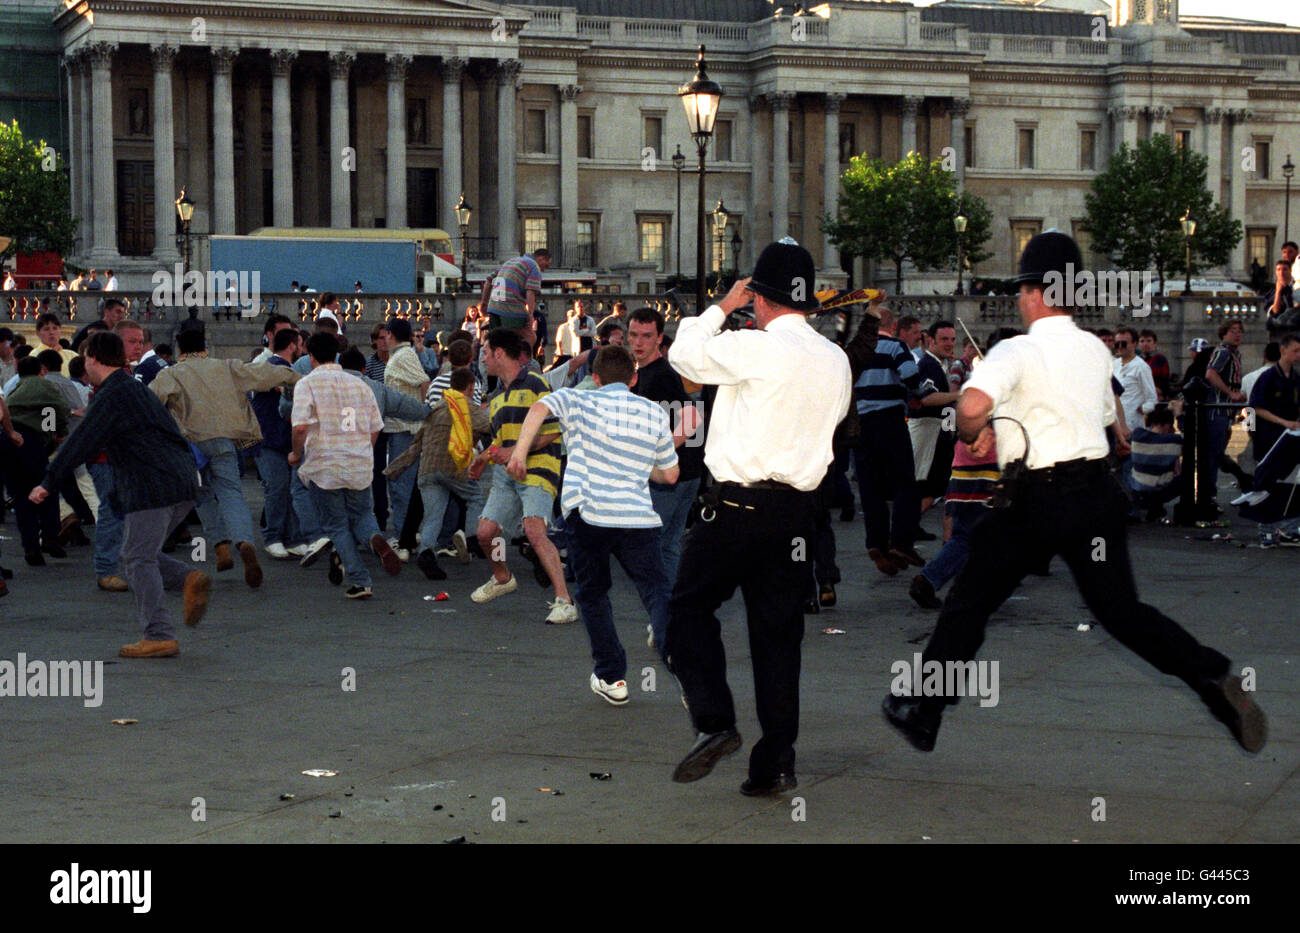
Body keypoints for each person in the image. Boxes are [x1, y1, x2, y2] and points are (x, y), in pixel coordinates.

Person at [881, 231, 1267, 756]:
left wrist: (977, 431)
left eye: (1021, 290)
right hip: (1095, 494)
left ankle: (923, 710)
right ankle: (1213, 675)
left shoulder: (1016, 348)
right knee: (1123, 613)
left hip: (1033, 497)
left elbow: (970, 409)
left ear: (1037, 293)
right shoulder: (1094, 351)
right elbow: (1111, 423)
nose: (1018, 299)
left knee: (969, 602)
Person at [664, 241, 852, 797]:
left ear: (759, 300)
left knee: (687, 611)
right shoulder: (836, 358)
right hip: (797, 516)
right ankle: (775, 763)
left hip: (735, 510)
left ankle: (716, 721)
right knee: (778, 642)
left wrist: (722, 306)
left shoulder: (753, 344)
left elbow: (684, 356)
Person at [508, 345, 679, 704]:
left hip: (589, 515)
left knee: (594, 594)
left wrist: (520, 453)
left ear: (595, 378)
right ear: (634, 378)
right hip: (637, 517)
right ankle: (681, 660)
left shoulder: (577, 399)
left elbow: (540, 408)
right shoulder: (653, 412)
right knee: (656, 591)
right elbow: (670, 474)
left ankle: (612, 677)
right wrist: (635, 462)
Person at [32, 331, 211, 658]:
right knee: (140, 551)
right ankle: (189, 578)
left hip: (152, 485)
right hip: (180, 481)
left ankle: (159, 634)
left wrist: (49, 480)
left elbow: (83, 439)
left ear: (93, 359)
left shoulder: (111, 394)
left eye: (86, 357)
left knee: (137, 558)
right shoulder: (137, 389)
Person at [150, 329, 299, 588]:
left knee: (202, 495)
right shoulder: (226, 367)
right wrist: (295, 377)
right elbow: (263, 374)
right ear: (205, 346)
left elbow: (148, 402)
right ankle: (245, 542)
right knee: (231, 493)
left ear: (179, 349)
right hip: (224, 441)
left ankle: (220, 547)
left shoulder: (171, 374)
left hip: (192, 446)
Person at [467, 327, 577, 624]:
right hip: (506, 475)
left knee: (533, 530)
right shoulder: (498, 396)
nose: (483, 360)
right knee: (485, 533)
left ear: (499, 353)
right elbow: (499, 442)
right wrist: (482, 458)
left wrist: (516, 452)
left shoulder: (535, 383)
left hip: (538, 469)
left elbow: (552, 431)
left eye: (486, 353)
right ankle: (503, 578)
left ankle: (564, 600)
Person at [290, 333, 398, 599]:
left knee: (337, 525)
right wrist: (362, 451)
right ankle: (375, 539)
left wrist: (295, 454)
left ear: (311, 356)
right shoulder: (361, 385)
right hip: (358, 462)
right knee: (362, 515)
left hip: (325, 464)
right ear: (337, 354)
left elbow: (301, 426)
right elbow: (375, 427)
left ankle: (362, 580)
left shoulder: (307, 384)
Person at [385, 367, 491, 581]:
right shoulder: (465, 404)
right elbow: (488, 426)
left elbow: (418, 443)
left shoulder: (438, 406)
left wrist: (395, 467)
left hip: (426, 469)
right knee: (475, 497)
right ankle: (471, 538)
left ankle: (426, 553)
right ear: (471, 388)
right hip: (451, 466)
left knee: (434, 514)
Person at [627, 307, 705, 590]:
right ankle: (671, 612)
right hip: (685, 473)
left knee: (652, 547)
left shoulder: (661, 375)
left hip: (672, 477)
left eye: (646, 336)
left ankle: (663, 613)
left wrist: (662, 454)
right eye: (634, 335)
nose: (638, 342)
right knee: (667, 547)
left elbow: (694, 417)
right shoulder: (652, 373)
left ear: (659, 338)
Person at [1, 356, 69, 565]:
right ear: (41, 369)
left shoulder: (14, 388)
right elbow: (55, 410)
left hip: (9, 441)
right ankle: (49, 536)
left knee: (21, 498)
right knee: (46, 489)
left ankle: (31, 547)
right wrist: (56, 433)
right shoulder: (45, 386)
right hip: (32, 443)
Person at [380, 317, 429, 560]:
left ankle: (403, 537)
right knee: (401, 484)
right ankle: (405, 533)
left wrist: (425, 413)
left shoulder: (404, 356)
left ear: (390, 334)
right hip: (402, 427)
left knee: (401, 485)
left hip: (405, 428)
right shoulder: (403, 355)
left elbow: (423, 383)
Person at [479, 249, 551, 349]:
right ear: (541, 258)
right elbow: (530, 292)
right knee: (529, 337)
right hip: (512, 308)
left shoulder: (511, 261)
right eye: (546, 265)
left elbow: (488, 280)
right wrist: (530, 315)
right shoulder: (534, 267)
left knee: (498, 342)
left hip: (494, 307)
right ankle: (523, 364)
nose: (544, 270)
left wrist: (484, 303)